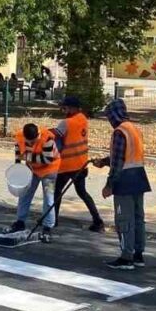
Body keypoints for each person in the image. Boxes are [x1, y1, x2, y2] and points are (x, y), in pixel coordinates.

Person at [92, 98, 151, 270]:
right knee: (138, 218)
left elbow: (118, 162)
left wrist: (109, 184)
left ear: (113, 115)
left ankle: (126, 257)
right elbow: (127, 155)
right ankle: (138, 255)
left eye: (109, 116)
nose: (109, 120)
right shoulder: (133, 128)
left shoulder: (119, 132)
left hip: (124, 180)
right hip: (139, 177)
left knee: (124, 220)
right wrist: (103, 162)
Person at [52, 95, 105, 231]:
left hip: (66, 165)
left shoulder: (65, 123)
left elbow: (55, 137)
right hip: (81, 164)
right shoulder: (83, 119)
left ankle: (53, 220)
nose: (63, 109)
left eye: (65, 107)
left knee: (56, 192)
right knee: (82, 193)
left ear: (71, 108)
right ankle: (97, 221)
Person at [11, 121, 60, 236]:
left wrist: (27, 157)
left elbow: (47, 160)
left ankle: (48, 226)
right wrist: (18, 168)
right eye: (29, 142)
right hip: (32, 170)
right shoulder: (19, 137)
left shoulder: (47, 139)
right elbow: (18, 154)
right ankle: (20, 222)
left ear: (38, 135)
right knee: (24, 194)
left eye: (33, 141)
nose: (31, 144)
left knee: (49, 199)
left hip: (50, 172)